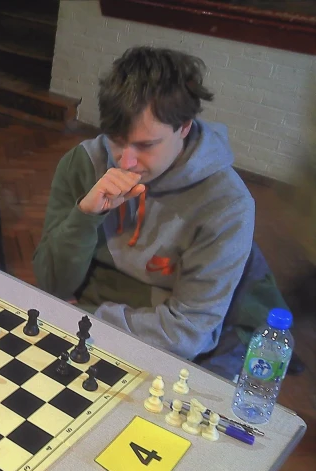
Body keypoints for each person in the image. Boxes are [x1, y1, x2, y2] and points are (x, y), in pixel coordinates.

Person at [33, 47, 263, 375]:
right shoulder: (83, 163)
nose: (125, 162)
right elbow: (51, 284)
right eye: (116, 140)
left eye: (145, 145)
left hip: (151, 351)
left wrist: (84, 319)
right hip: (81, 321)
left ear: (184, 127)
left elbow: (187, 333)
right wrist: (84, 217)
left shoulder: (227, 205)